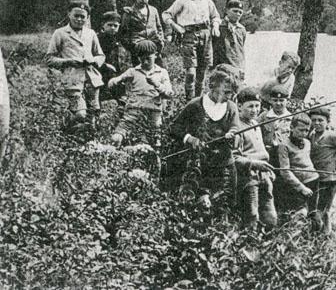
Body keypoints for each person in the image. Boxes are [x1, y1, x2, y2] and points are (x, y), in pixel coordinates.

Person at [168, 70, 239, 209]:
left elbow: (236, 128)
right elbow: (174, 127)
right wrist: (189, 138)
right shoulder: (195, 105)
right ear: (212, 86)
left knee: (224, 202)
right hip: (199, 164)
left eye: (231, 93)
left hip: (224, 164)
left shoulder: (231, 107)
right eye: (225, 92)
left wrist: (233, 134)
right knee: (197, 203)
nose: (229, 96)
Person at [46, 3, 105, 132]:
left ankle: (88, 142)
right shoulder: (60, 33)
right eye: (76, 16)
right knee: (80, 114)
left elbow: (101, 55)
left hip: (92, 78)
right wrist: (69, 61)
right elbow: (49, 59)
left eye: (83, 17)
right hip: (72, 78)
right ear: (69, 15)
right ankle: (65, 128)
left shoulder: (91, 33)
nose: (79, 19)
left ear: (87, 17)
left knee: (93, 114)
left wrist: (93, 60)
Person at [163, 0, 221, 99]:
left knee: (201, 72)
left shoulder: (206, 0)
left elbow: (215, 16)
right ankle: (189, 100)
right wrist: (176, 26)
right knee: (191, 73)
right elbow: (166, 15)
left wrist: (215, 26)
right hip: (189, 36)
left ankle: (198, 100)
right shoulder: (182, 1)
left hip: (205, 35)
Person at [108, 40, 173, 148]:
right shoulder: (133, 71)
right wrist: (114, 81)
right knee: (116, 138)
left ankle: (153, 160)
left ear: (156, 55)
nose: (145, 62)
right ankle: (117, 157)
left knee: (156, 141)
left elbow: (169, 94)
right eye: (142, 59)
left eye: (148, 58)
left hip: (153, 112)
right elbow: (118, 79)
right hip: (134, 111)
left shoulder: (162, 72)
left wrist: (156, 84)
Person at [233, 87, 277, 229]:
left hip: (264, 175)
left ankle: (267, 244)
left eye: (257, 106)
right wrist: (254, 163)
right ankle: (249, 244)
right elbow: (234, 158)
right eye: (250, 106)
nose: (255, 110)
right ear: (239, 106)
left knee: (270, 216)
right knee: (251, 215)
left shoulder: (256, 124)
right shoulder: (236, 127)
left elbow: (261, 150)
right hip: (248, 177)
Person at [276, 113, 321, 229]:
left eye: (306, 131)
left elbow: (307, 162)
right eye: (300, 130)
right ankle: (292, 239)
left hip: (314, 182)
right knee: (299, 215)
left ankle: (310, 241)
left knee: (314, 216)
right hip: (298, 186)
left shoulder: (307, 143)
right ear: (291, 128)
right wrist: (302, 188)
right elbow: (285, 171)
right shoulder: (284, 145)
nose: (303, 134)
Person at [120, 0, 165, 67]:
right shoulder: (129, 12)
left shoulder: (153, 10)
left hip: (153, 44)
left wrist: (161, 40)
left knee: (158, 69)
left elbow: (159, 27)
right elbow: (124, 32)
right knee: (140, 71)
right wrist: (132, 47)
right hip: (138, 47)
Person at [97, 11, 129, 106]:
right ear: (103, 25)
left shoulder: (119, 39)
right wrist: (104, 65)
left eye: (115, 26)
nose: (112, 28)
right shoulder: (98, 39)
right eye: (109, 25)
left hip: (117, 71)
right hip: (101, 70)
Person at [257, 83, 292, 166]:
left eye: (281, 100)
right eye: (275, 100)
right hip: (267, 154)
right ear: (270, 100)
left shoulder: (291, 118)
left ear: (287, 100)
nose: (278, 103)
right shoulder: (263, 117)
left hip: (285, 156)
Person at [211, 0, 247, 75]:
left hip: (237, 66)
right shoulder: (219, 26)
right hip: (222, 66)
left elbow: (240, 47)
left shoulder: (241, 29)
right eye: (235, 11)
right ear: (227, 10)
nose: (238, 14)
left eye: (240, 12)